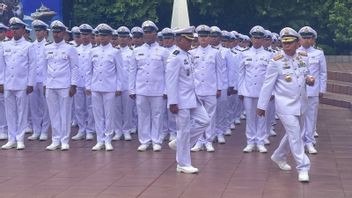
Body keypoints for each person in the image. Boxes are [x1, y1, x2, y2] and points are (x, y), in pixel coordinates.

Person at [257, 27, 314, 182]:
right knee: (296, 135)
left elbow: (306, 73)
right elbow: (267, 85)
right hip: (285, 105)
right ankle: (303, 167)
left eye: (290, 43)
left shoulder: (303, 57)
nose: (286, 46)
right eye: (284, 43)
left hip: (301, 103)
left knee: (294, 134)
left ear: (297, 43)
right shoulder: (276, 61)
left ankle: (278, 156)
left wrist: (310, 78)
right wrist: (261, 106)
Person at [166, 26, 210, 174]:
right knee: (183, 131)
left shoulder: (188, 55)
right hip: (180, 100)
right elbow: (171, 81)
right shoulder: (175, 56)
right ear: (179, 40)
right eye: (188, 40)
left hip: (193, 97)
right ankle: (183, 163)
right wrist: (172, 102)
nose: (191, 43)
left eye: (192, 40)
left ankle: (178, 143)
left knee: (205, 121)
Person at [129, 20, 169, 152]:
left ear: (155, 34)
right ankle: (145, 141)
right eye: (145, 32)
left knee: (157, 115)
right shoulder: (136, 51)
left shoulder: (163, 51)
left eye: (150, 32)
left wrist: (166, 90)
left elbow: (167, 72)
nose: (147, 35)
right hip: (141, 89)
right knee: (143, 115)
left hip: (158, 89)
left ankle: (156, 140)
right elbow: (132, 71)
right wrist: (132, 89)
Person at [86, 23, 123, 151]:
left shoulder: (115, 52)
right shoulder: (93, 51)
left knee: (109, 115)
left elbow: (120, 71)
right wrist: (88, 85)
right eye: (100, 35)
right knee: (97, 114)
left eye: (105, 35)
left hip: (110, 87)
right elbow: (89, 71)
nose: (102, 38)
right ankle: (99, 140)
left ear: (110, 37)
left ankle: (108, 139)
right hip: (95, 86)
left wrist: (118, 88)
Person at [0, 17, 35, 150]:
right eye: (12, 28)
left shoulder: (28, 46)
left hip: (22, 83)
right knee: (10, 112)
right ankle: (11, 138)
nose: (14, 31)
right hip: (8, 83)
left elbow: (32, 66)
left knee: (22, 112)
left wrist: (30, 83)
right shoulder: (5, 45)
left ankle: (20, 139)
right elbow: (2, 66)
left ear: (23, 30)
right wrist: (1, 82)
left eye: (16, 28)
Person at [44, 20, 79, 151]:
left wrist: (73, 85)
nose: (56, 34)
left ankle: (64, 140)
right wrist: (45, 84)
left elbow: (74, 67)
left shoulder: (70, 48)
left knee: (65, 113)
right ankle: (55, 140)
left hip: (65, 85)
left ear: (64, 33)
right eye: (54, 32)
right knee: (53, 113)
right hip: (50, 85)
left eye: (59, 32)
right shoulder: (47, 48)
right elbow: (44, 68)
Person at [238, 25, 272, 153]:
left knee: (262, 117)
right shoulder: (244, 54)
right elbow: (240, 74)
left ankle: (261, 141)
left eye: (259, 38)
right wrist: (240, 90)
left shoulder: (269, 55)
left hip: (263, 92)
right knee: (250, 118)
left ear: (263, 40)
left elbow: (271, 76)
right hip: (248, 91)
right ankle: (250, 142)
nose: (257, 40)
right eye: (254, 38)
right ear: (251, 39)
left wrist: (271, 92)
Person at [190, 24, 221, 152]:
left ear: (209, 37)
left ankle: (208, 140)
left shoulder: (215, 52)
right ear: (198, 37)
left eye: (206, 36)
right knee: (197, 117)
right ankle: (198, 141)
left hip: (210, 89)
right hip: (196, 90)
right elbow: (190, 73)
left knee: (210, 116)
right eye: (201, 36)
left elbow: (219, 72)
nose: (203, 39)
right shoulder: (192, 53)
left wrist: (219, 88)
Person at [298, 26, 327, 154]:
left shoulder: (318, 53)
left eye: (308, 38)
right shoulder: (295, 52)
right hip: (298, 91)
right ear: (299, 39)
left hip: (313, 91)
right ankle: (299, 142)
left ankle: (309, 142)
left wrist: (322, 89)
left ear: (313, 39)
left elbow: (322, 73)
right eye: (303, 38)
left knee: (311, 118)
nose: (306, 40)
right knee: (299, 118)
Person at [71, 23, 96, 141]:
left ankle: (90, 130)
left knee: (90, 108)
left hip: (90, 83)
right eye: (82, 35)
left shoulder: (94, 50)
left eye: (87, 35)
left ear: (91, 35)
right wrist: (73, 83)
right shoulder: (75, 50)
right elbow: (73, 67)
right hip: (79, 83)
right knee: (79, 107)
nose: (84, 37)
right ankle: (82, 129)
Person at [27, 19, 51, 141]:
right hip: (33, 80)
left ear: (45, 32)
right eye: (36, 30)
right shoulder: (31, 46)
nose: (37, 33)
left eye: (40, 30)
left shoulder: (49, 46)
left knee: (45, 106)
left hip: (44, 80)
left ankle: (44, 131)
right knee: (34, 106)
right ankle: (36, 130)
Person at [112, 26, 133, 141]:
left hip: (127, 85)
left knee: (127, 110)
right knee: (116, 109)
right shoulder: (114, 52)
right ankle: (117, 131)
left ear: (129, 39)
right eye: (120, 37)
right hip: (114, 85)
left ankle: (126, 130)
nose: (122, 39)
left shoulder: (132, 53)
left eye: (125, 37)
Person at [161, 27, 177, 142]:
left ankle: (173, 132)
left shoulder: (176, 51)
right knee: (161, 111)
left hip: (172, 86)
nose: (166, 41)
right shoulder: (160, 50)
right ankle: (163, 131)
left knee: (172, 112)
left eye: (169, 39)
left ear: (173, 39)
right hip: (159, 86)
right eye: (164, 38)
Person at [0, 22, 8, 140]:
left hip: (4, 80)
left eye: (0, 31)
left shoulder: (7, 46)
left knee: (4, 107)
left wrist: (2, 81)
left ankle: (4, 129)